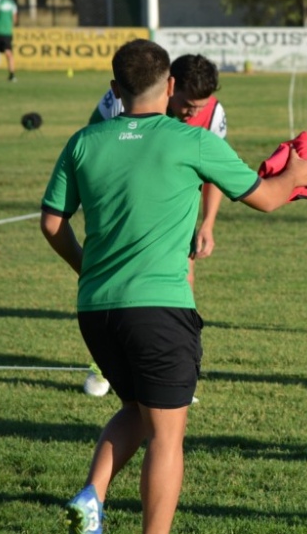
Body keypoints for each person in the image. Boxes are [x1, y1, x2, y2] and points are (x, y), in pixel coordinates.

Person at [41, 39, 307, 534]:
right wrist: (299, 173)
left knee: (133, 408)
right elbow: (267, 197)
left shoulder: (83, 142)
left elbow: (52, 223)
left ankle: (91, 497)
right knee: (167, 435)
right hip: (159, 309)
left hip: (96, 310)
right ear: (171, 87)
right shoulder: (188, 141)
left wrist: (88, 268)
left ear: (114, 91)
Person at [83, 54, 228, 397]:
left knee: (183, 280)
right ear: (169, 86)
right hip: (123, 214)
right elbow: (92, 145)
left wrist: (207, 223)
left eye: (200, 107)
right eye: (188, 105)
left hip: (173, 216)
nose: (193, 113)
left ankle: (178, 371)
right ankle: (105, 365)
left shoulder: (213, 114)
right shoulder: (121, 102)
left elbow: (216, 172)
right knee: (115, 286)